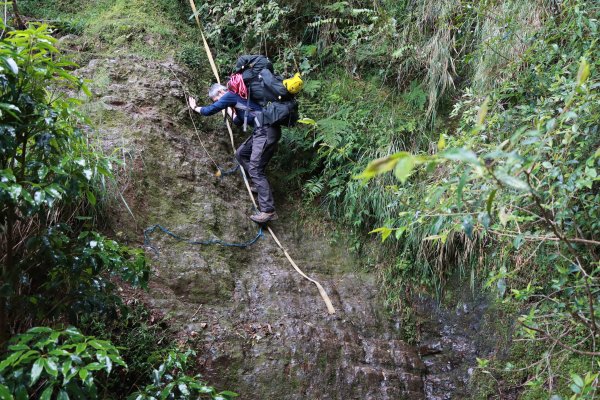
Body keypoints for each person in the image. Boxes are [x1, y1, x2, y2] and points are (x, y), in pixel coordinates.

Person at [188, 82, 281, 224]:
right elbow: (238, 121)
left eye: (217, 101)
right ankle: (260, 185)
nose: (218, 103)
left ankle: (268, 211)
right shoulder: (235, 98)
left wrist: (195, 108)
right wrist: (229, 109)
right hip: (263, 131)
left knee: (256, 169)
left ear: (220, 93)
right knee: (241, 154)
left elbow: (209, 111)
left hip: (265, 131)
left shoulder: (230, 95)